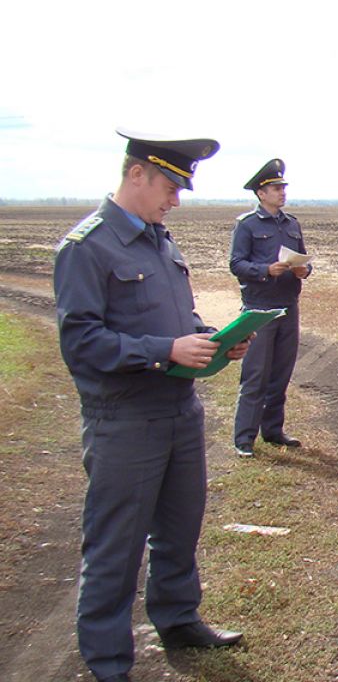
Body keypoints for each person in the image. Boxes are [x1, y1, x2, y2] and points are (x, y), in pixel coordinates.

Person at [53, 129, 249, 682]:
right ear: (135, 174)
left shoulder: (161, 241)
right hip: (124, 420)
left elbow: (176, 321)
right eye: (169, 185)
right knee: (116, 545)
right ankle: (109, 660)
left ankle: (178, 618)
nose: (176, 199)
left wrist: (213, 339)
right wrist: (165, 350)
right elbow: (82, 343)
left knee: (179, 528)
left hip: (178, 413)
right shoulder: (85, 248)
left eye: (181, 189)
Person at [229, 158, 311, 457]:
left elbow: (303, 258)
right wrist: (266, 270)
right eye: (276, 188)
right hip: (260, 308)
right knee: (255, 375)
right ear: (261, 193)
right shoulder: (247, 225)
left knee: (281, 372)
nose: (282, 192)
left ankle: (273, 431)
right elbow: (236, 264)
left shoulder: (291, 224)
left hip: (289, 305)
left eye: (283, 187)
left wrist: (304, 270)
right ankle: (244, 439)